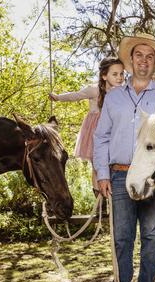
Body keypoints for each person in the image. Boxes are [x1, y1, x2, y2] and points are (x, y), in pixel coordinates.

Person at [93, 33, 155, 282]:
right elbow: (101, 137)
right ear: (131, 61)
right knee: (122, 239)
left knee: (152, 238)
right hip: (119, 175)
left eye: (150, 56)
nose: (144, 60)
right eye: (139, 55)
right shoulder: (114, 97)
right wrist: (102, 173)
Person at [49, 57, 125, 195]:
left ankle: (114, 195)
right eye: (115, 74)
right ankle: (100, 199)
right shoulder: (94, 90)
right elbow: (76, 95)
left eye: (121, 74)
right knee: (97, 165)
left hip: (114, 129)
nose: (119, 78)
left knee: (113, 163)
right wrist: (58, 97)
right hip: (95, 129)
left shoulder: (121, 92)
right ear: (104, 75)